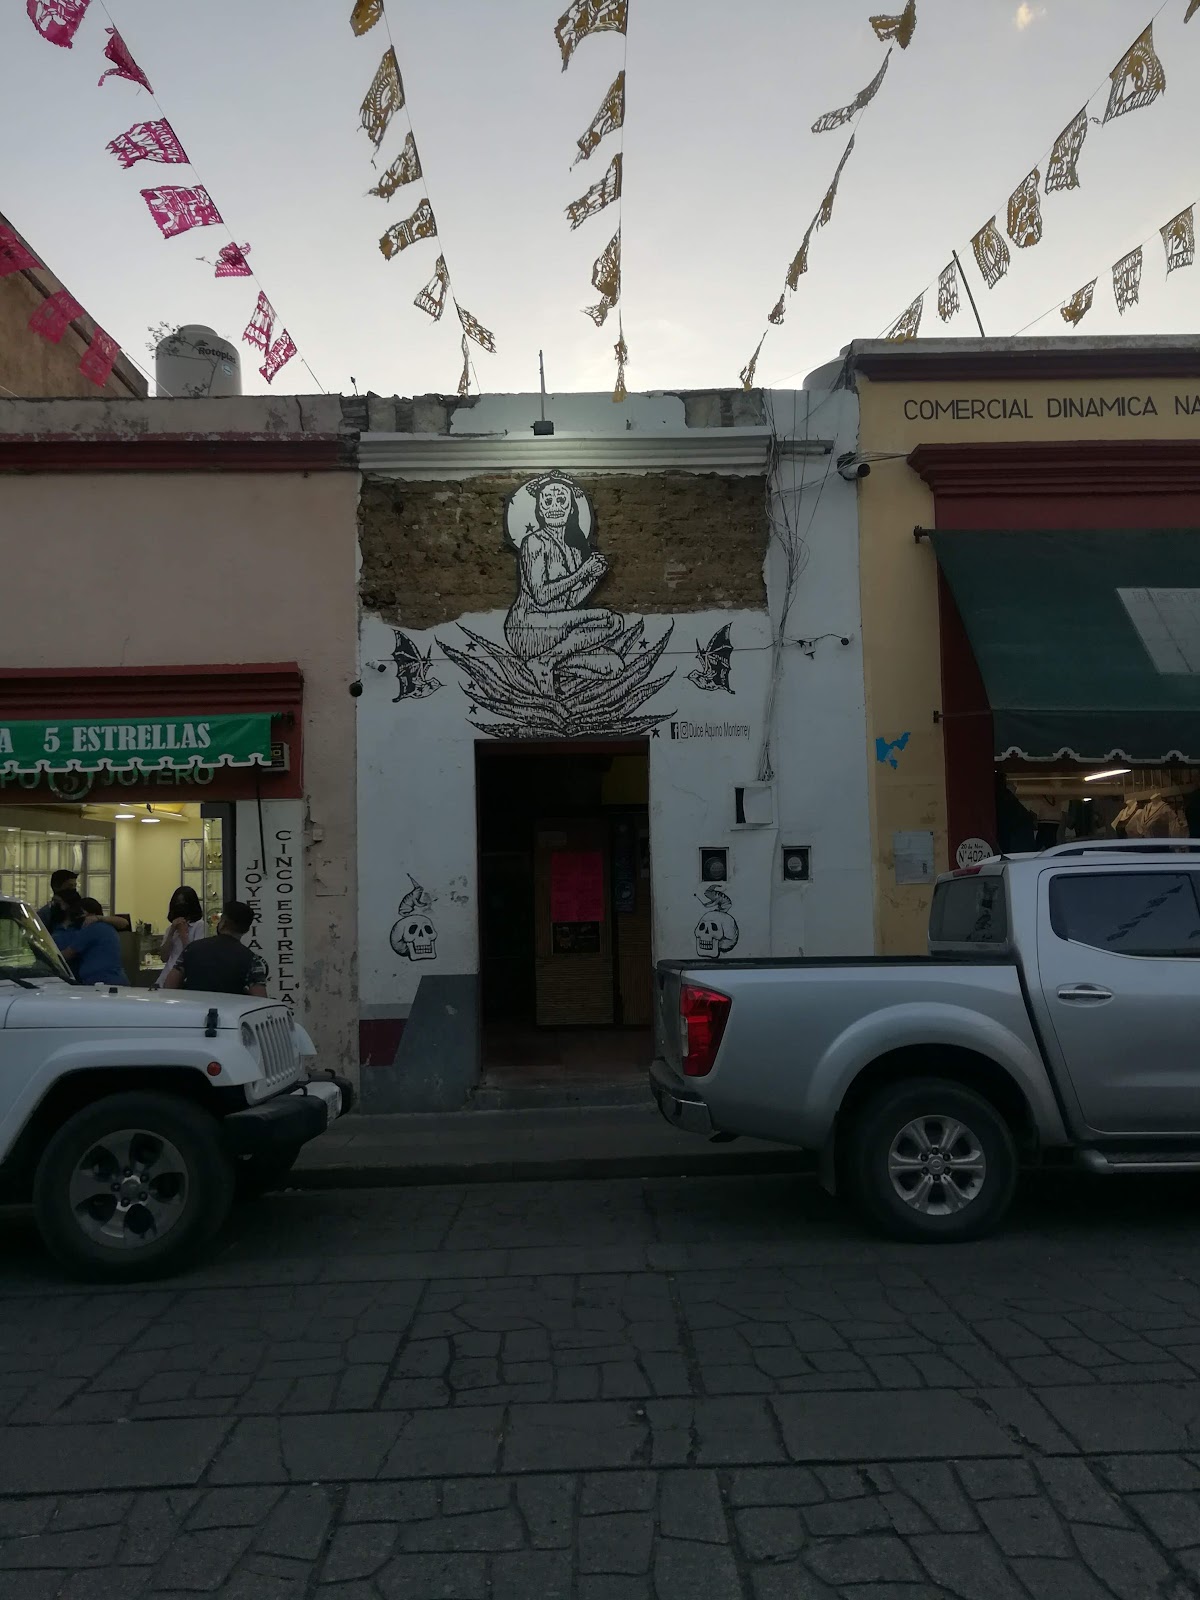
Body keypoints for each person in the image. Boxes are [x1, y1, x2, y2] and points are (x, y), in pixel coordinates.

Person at [163, 900, 268, 997]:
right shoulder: (251, 959)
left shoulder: (192, 949)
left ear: (223, 923)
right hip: (229, 1010)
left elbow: (169, 985)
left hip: (195, 1008)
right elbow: (260, 998)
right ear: (246, 930)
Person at [51, 893, 127, 987]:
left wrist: (47, 959)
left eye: (80, 912)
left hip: (101, 982)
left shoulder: (91, 929)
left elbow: (68, 953)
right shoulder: (107, 927)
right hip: (113, 979)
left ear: (91, 914)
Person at [155, 885, 206, 989]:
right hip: (166, 978)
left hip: (185, 979)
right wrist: (172, 931)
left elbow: (196, 957)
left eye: (184, 903)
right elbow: (164, 957)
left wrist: (183, 934)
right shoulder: (170, 929)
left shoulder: (200, 926)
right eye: (177, 903)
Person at [38, 869, 78, 935]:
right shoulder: (45, 914)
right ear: (56, 887)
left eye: (75, 886)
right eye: (70, 886)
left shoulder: (80, 909)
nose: (73, 889)